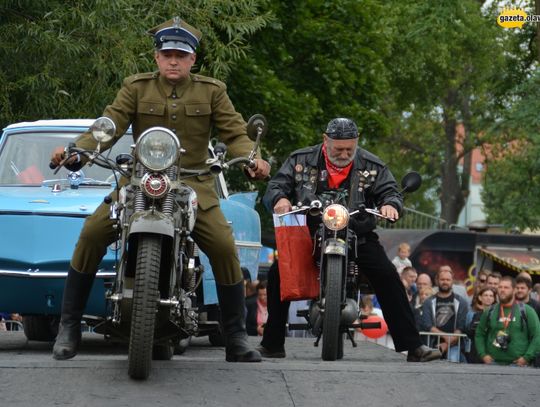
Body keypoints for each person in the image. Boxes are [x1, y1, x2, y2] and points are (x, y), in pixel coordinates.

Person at [49, 17, 270, 362]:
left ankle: (236, 336)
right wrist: (78, 150)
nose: (173, 61)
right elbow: (107, 126)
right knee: (92, 232)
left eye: (180, 55)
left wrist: (253, 159)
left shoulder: (212, 91)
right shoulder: (136, 88)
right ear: (156, 57)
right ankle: (69, 326)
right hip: (139, 179)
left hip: (194, 183)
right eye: (167, 54)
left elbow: (236, 134)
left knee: (225, 247)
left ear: (192, 59)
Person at [257, 117, 441, 362]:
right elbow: (276, 185)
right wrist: (280, 199)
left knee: (388, 276)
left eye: (349, 149)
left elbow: (391, 191)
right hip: (309, 235)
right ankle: (272, 344)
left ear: (357, 144)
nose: (344, 154)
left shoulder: (372, 164)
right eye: (338, 149)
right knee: (278, 273)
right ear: (325, 141)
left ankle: (413, 346)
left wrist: (391, 205)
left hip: (358, 234)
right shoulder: (300, 160)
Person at [475, 276, 540, 366]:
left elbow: (537, 336)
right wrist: (483, 355)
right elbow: (479, 334)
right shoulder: (490, 311)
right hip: (493, 364)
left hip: (518, 365)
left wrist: (526, 358)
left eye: (506, 287)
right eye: (500, 287)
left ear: (514, 290)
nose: (502, 290)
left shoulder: (527, 311)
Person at [419, 266, 469, 362]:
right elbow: (428, 325)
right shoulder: (428, 302)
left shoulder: (461, 302)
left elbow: (460, 326)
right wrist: (447, 338)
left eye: (447, 279)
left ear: (452, 281)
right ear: (437, 281)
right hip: (432, 343)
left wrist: (446, 344)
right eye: (442, 279)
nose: (445, 282)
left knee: (453, 359)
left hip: (455, 345)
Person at [464, 287, 496, 363]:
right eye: (486, 295)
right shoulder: (476, 315)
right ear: (480, 298)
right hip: (476, 353)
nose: (488, 298)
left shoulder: (498, 315)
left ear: (494, 299)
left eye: (491, 296)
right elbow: (469, 333)